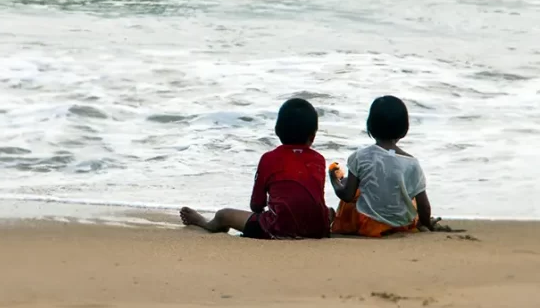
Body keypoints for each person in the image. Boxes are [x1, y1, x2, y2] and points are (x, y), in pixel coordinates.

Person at [180, 98, 331, 239]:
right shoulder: (319, 160)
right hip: (319, 229)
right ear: (313, 136)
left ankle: (206, 224)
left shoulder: (269, 158)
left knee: (223, 215)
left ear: (277, 130)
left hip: (278, 227)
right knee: (329, 211)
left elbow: (256, 205)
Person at [330, 95, 438, 237]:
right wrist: (426, 224)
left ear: (370, 126)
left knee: (354, 194)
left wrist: (334, 181)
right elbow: (424, 206)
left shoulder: (359, 157)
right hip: (402, 224)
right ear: (404, 129)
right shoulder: (412, 163)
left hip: (367, 224)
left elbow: (347, 196)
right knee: (408, 196)